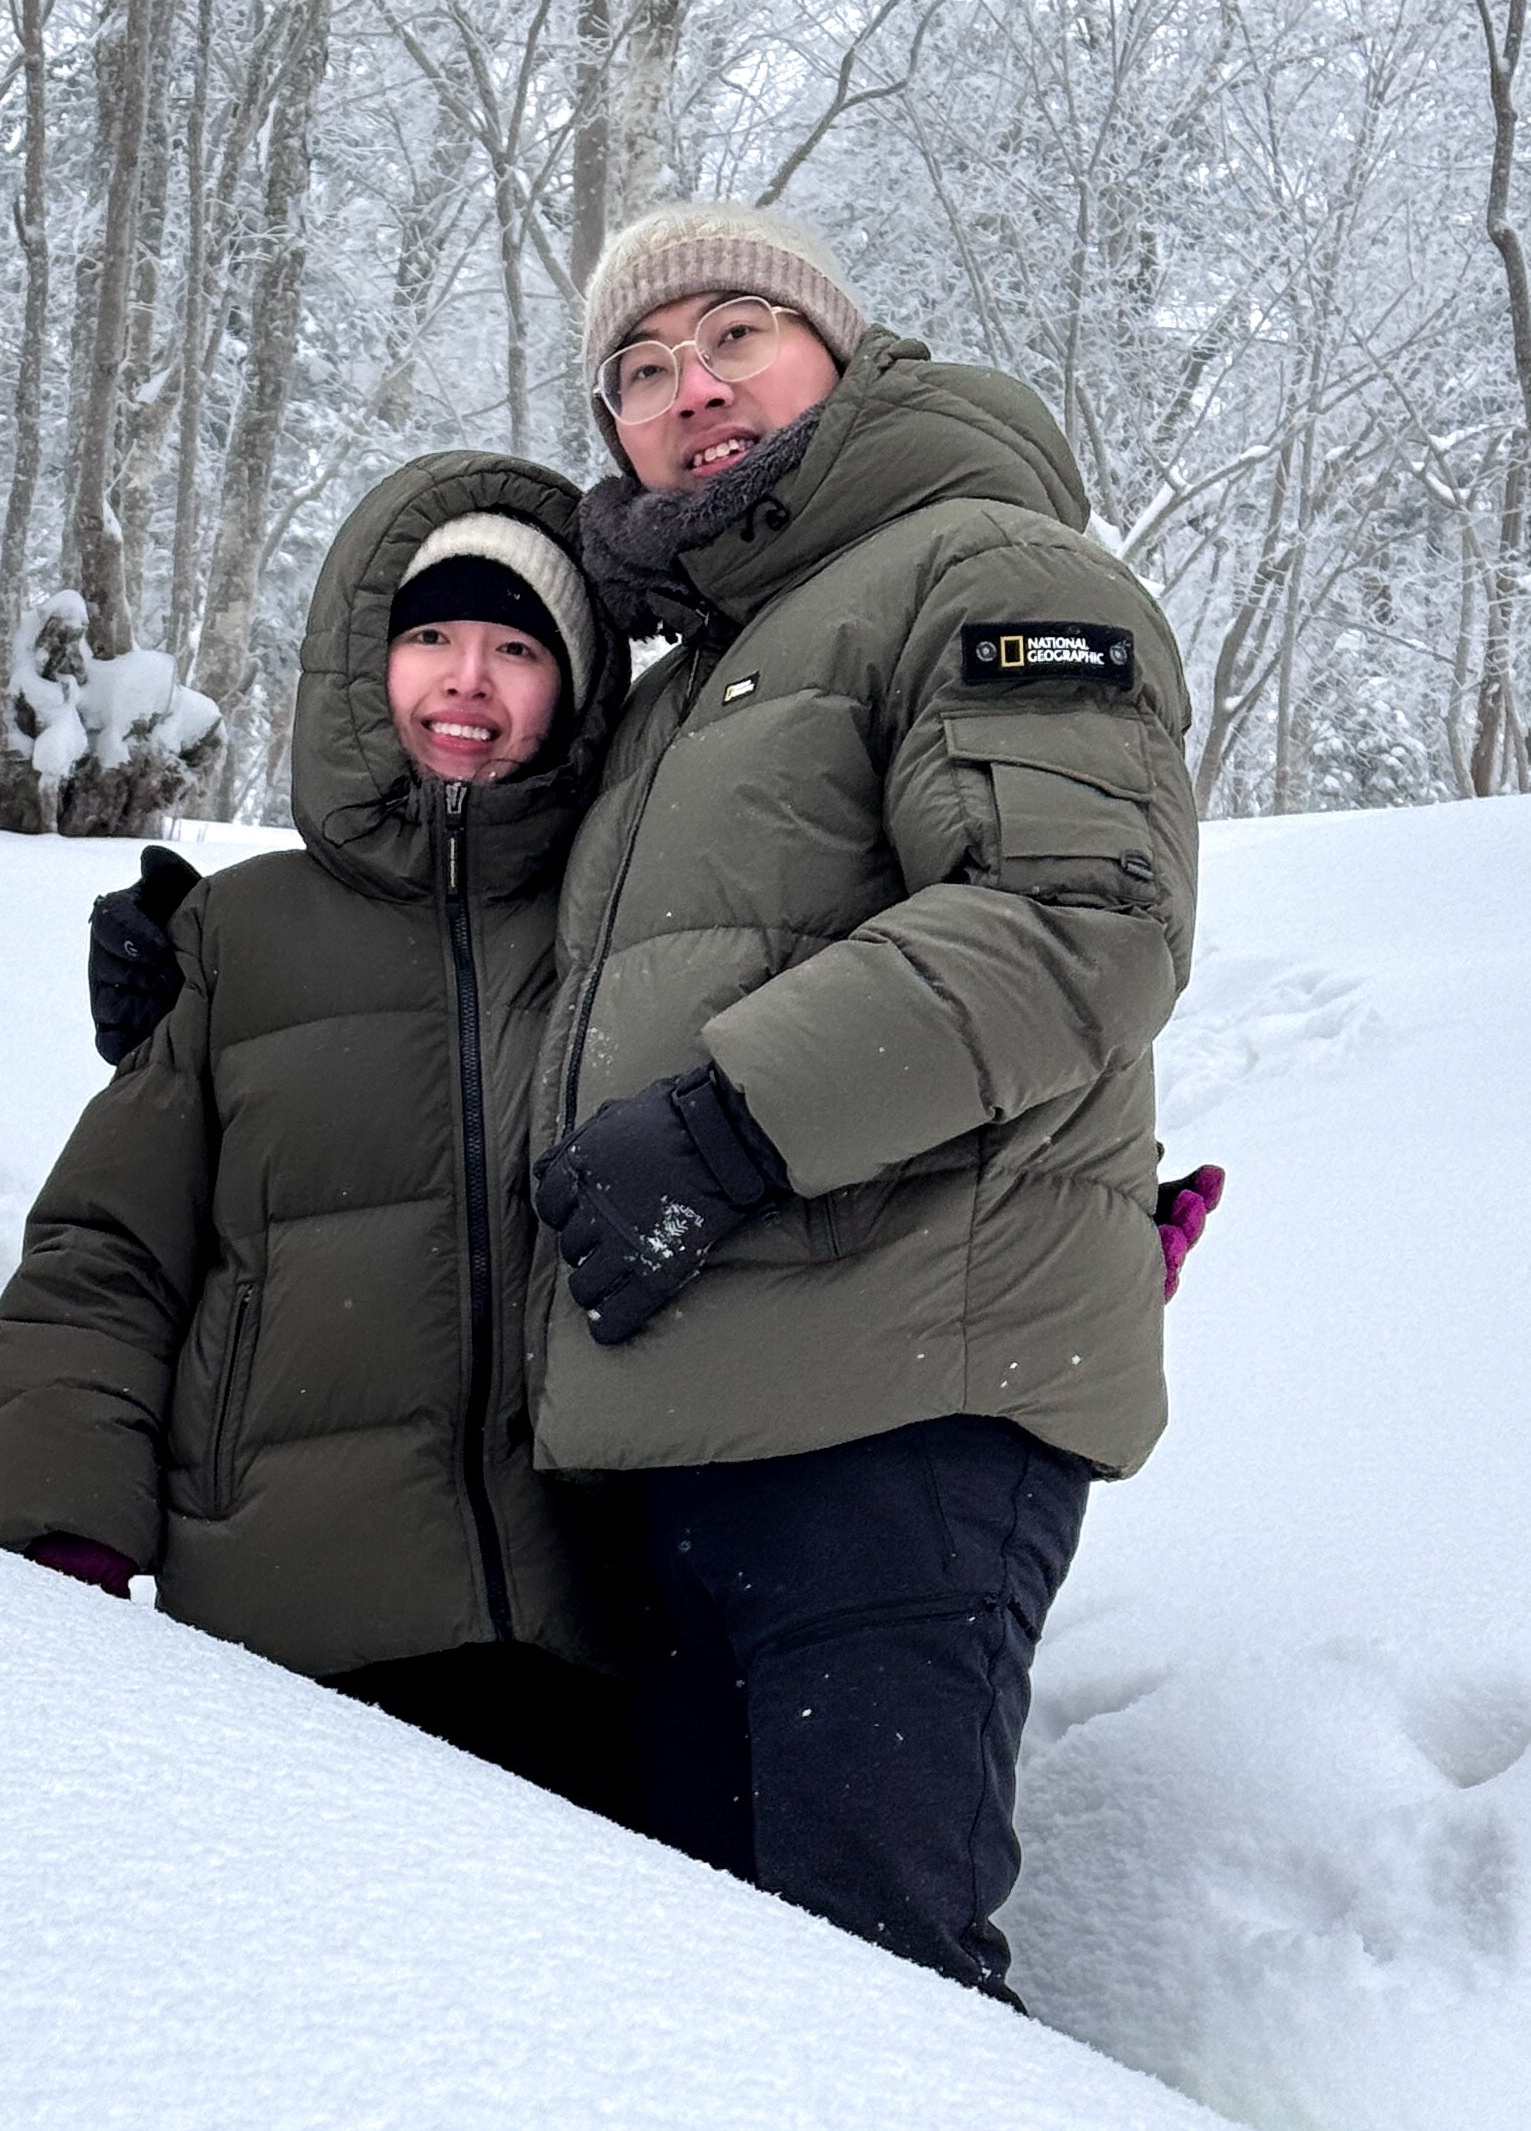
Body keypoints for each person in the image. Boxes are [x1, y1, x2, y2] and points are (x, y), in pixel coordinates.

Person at [528, 202, 1203, 1999]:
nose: (693, 389)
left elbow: (1081, 918)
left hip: (900, 1416)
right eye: (643, 370)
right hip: (700, 1437)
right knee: (733, 2013)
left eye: (736, 333)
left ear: (842, 353)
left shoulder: (983, 567)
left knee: (877, 2004)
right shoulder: (693, 681)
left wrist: (728, 1121)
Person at [0, 452, 636, 1816]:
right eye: (433, 637)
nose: (468, 678)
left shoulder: (624, 927)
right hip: (286, 1650)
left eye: (517, 646)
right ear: (368, 666)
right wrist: (68, 1540)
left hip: (586, 1648)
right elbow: (105, 1259)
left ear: (573, 689)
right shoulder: (239, 934)